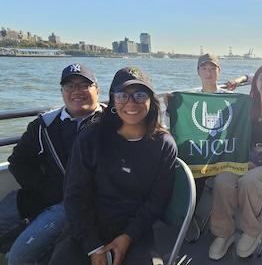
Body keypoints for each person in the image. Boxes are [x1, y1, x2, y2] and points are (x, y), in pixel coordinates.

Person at [49, 67, 177, 265]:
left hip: (135, 231)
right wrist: (93, 246)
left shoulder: (163, 144)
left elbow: (156, 201)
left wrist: (127, 237)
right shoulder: (90, 138)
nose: (131, 102)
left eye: (140, 95)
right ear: (113, 100)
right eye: (123, 95)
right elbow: (75, 195)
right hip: (86, 228)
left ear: (151, 101)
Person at [0, 63, 103, 264]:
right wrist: (46, 190)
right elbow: (18, 161)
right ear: (62, 91)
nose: (77, 92)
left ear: (97, 90)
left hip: (83, 203)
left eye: (84, 85)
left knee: (21, 255)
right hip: (46, 195)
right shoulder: (44, 125)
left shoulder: (111, 123)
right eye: (70, 87)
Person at [208, 62, 262, 260]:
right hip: (244, 159)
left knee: (249, 181)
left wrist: (257, 158)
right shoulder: (245, 106)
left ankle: (252, 230)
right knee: (223, 180)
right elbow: (229, 128)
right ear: (255, 80)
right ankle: (225, 232)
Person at [165, 53, 231, 243]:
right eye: (204, 68)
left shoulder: (230, 98)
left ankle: (188, 215)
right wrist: (171, 106)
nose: (209, 73)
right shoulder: (189, 97)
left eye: (213, 69)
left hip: (222, 151)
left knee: (198, 170)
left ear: (219, 71)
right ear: (198, 72)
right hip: (199, 149)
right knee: (179, 164)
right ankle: (182, 212)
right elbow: (177, 124)